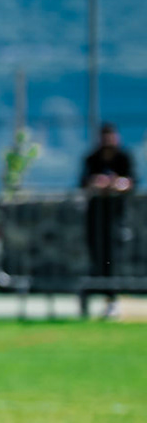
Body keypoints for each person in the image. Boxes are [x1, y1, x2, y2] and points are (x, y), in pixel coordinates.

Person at [82, 123, 134, 320]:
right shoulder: (91, 158)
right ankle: (90, 297)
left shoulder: (124, 158)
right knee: (96, 258)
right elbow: (83, 182)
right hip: (95, 218)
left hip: (116, 217)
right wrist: (97, 183)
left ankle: (112, 300)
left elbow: (132, 181)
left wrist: (117, 184)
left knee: (114, 258)